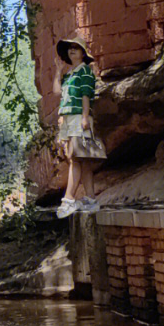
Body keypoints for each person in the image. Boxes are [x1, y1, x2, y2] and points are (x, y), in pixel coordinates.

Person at [53, 36, 105, 218]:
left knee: (75, 158)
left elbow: (86, 95)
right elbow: (57, 92)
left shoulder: (85, 72)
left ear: (83, 53)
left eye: (76, 48)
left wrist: (85, 117)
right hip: (68, 118)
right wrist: (58, 72)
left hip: (78, 117)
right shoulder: (69, 75)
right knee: (82, 160)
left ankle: (68, 199)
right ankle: (91, 199)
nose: (72, 50)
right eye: (70, 48)